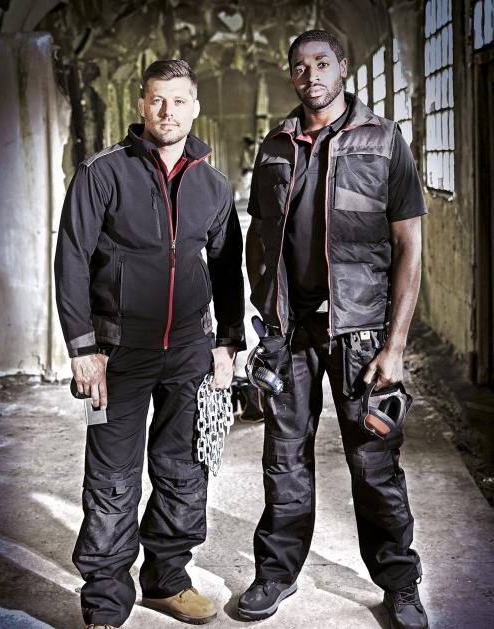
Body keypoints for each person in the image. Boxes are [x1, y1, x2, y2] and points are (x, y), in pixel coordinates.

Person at [238, 30, 429, 629]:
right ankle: (276, 573)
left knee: (375, 464)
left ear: (342, 67)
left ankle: (400, 583)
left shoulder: (384, 140)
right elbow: (258, 234)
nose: (311, 74)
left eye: (322, 62)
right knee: (284, 460)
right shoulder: (275, 146)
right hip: (290, 332)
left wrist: (395, 345)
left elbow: (409, 246)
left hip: (361, 333)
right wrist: (267, 311)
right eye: (300, 66)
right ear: (290, 74)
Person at [54, 59, 245, 628]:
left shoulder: (213, 184)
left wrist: (228, 342)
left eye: (179, 100)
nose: (168, 111)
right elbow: (71, 261)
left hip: (189, 352)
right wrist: (82, 348)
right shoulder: (102, 173)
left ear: (195, 107)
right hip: (116, 353)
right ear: (142, 104)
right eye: (157, 99)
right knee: (112, 480)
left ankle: (167, 579)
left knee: (184, 471)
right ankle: (105, 601)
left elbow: (226, 269)